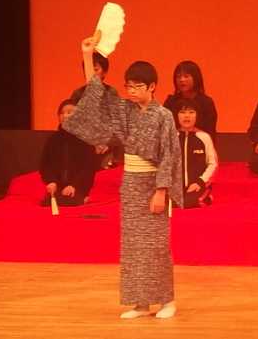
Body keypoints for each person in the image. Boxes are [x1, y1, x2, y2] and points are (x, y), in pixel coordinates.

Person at [65, 31, 182, 320]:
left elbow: (169, 155)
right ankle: (140, 303)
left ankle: (166, 301)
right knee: (132, 245)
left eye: (137, 86)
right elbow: (96, 90)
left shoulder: (164, 116)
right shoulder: (125, 110)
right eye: (128, 85)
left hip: (152, 182)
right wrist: (87, 55)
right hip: (130, 182)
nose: (131, 91)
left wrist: (161, 191)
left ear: (152, 86)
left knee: (156, 245)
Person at [39, 98, 98, 207]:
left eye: (69, 112)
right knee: (48, 203)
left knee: (72, 201)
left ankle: (83, 197)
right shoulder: (52, 140)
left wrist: (74, 186)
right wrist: (51, 181)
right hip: (58, 187)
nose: (65, 116)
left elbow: (88, 169)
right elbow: (45, 165)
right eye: (62, 113)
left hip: (78, 187)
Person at [176, 100, 218, 208]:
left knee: (189, 202)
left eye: (191, 112)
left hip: (198, 185)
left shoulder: (204, 137)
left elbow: (213, 164)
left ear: (197, 115)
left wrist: (200, 182)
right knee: (172, 202)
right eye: (182, 112)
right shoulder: (171, 137)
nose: (187, 116)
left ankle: (206, 196)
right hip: (175, 187)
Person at [163, 60, 219, 139]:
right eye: (178, 77)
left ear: (196, 78)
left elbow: (210, 132)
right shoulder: (171, 102)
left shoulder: (206, 103)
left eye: (186, 76)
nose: (182, 80)